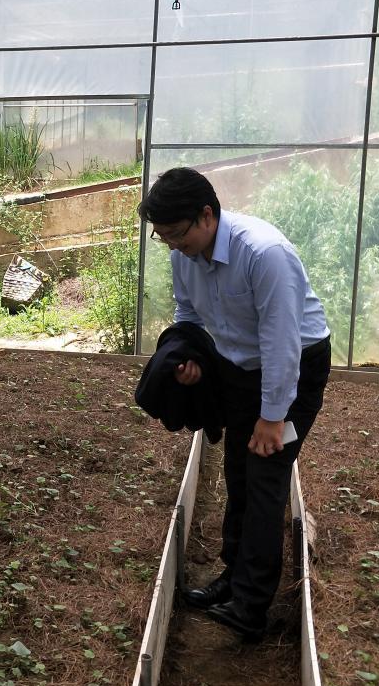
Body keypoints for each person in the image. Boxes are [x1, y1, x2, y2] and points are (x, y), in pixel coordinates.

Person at [139, 167, 331, 641]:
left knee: (265, 473)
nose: (173, 246)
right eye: (163, 237)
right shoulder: (185, 253)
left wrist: (273, 417)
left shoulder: (264, 254)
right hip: (240, 366)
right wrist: (190, 358)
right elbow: (188, 313)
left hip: (295, 366)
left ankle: (251, 604)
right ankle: (234, 574)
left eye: (177, 234)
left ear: (207, 215)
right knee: (237, 469)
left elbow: (282, 344)